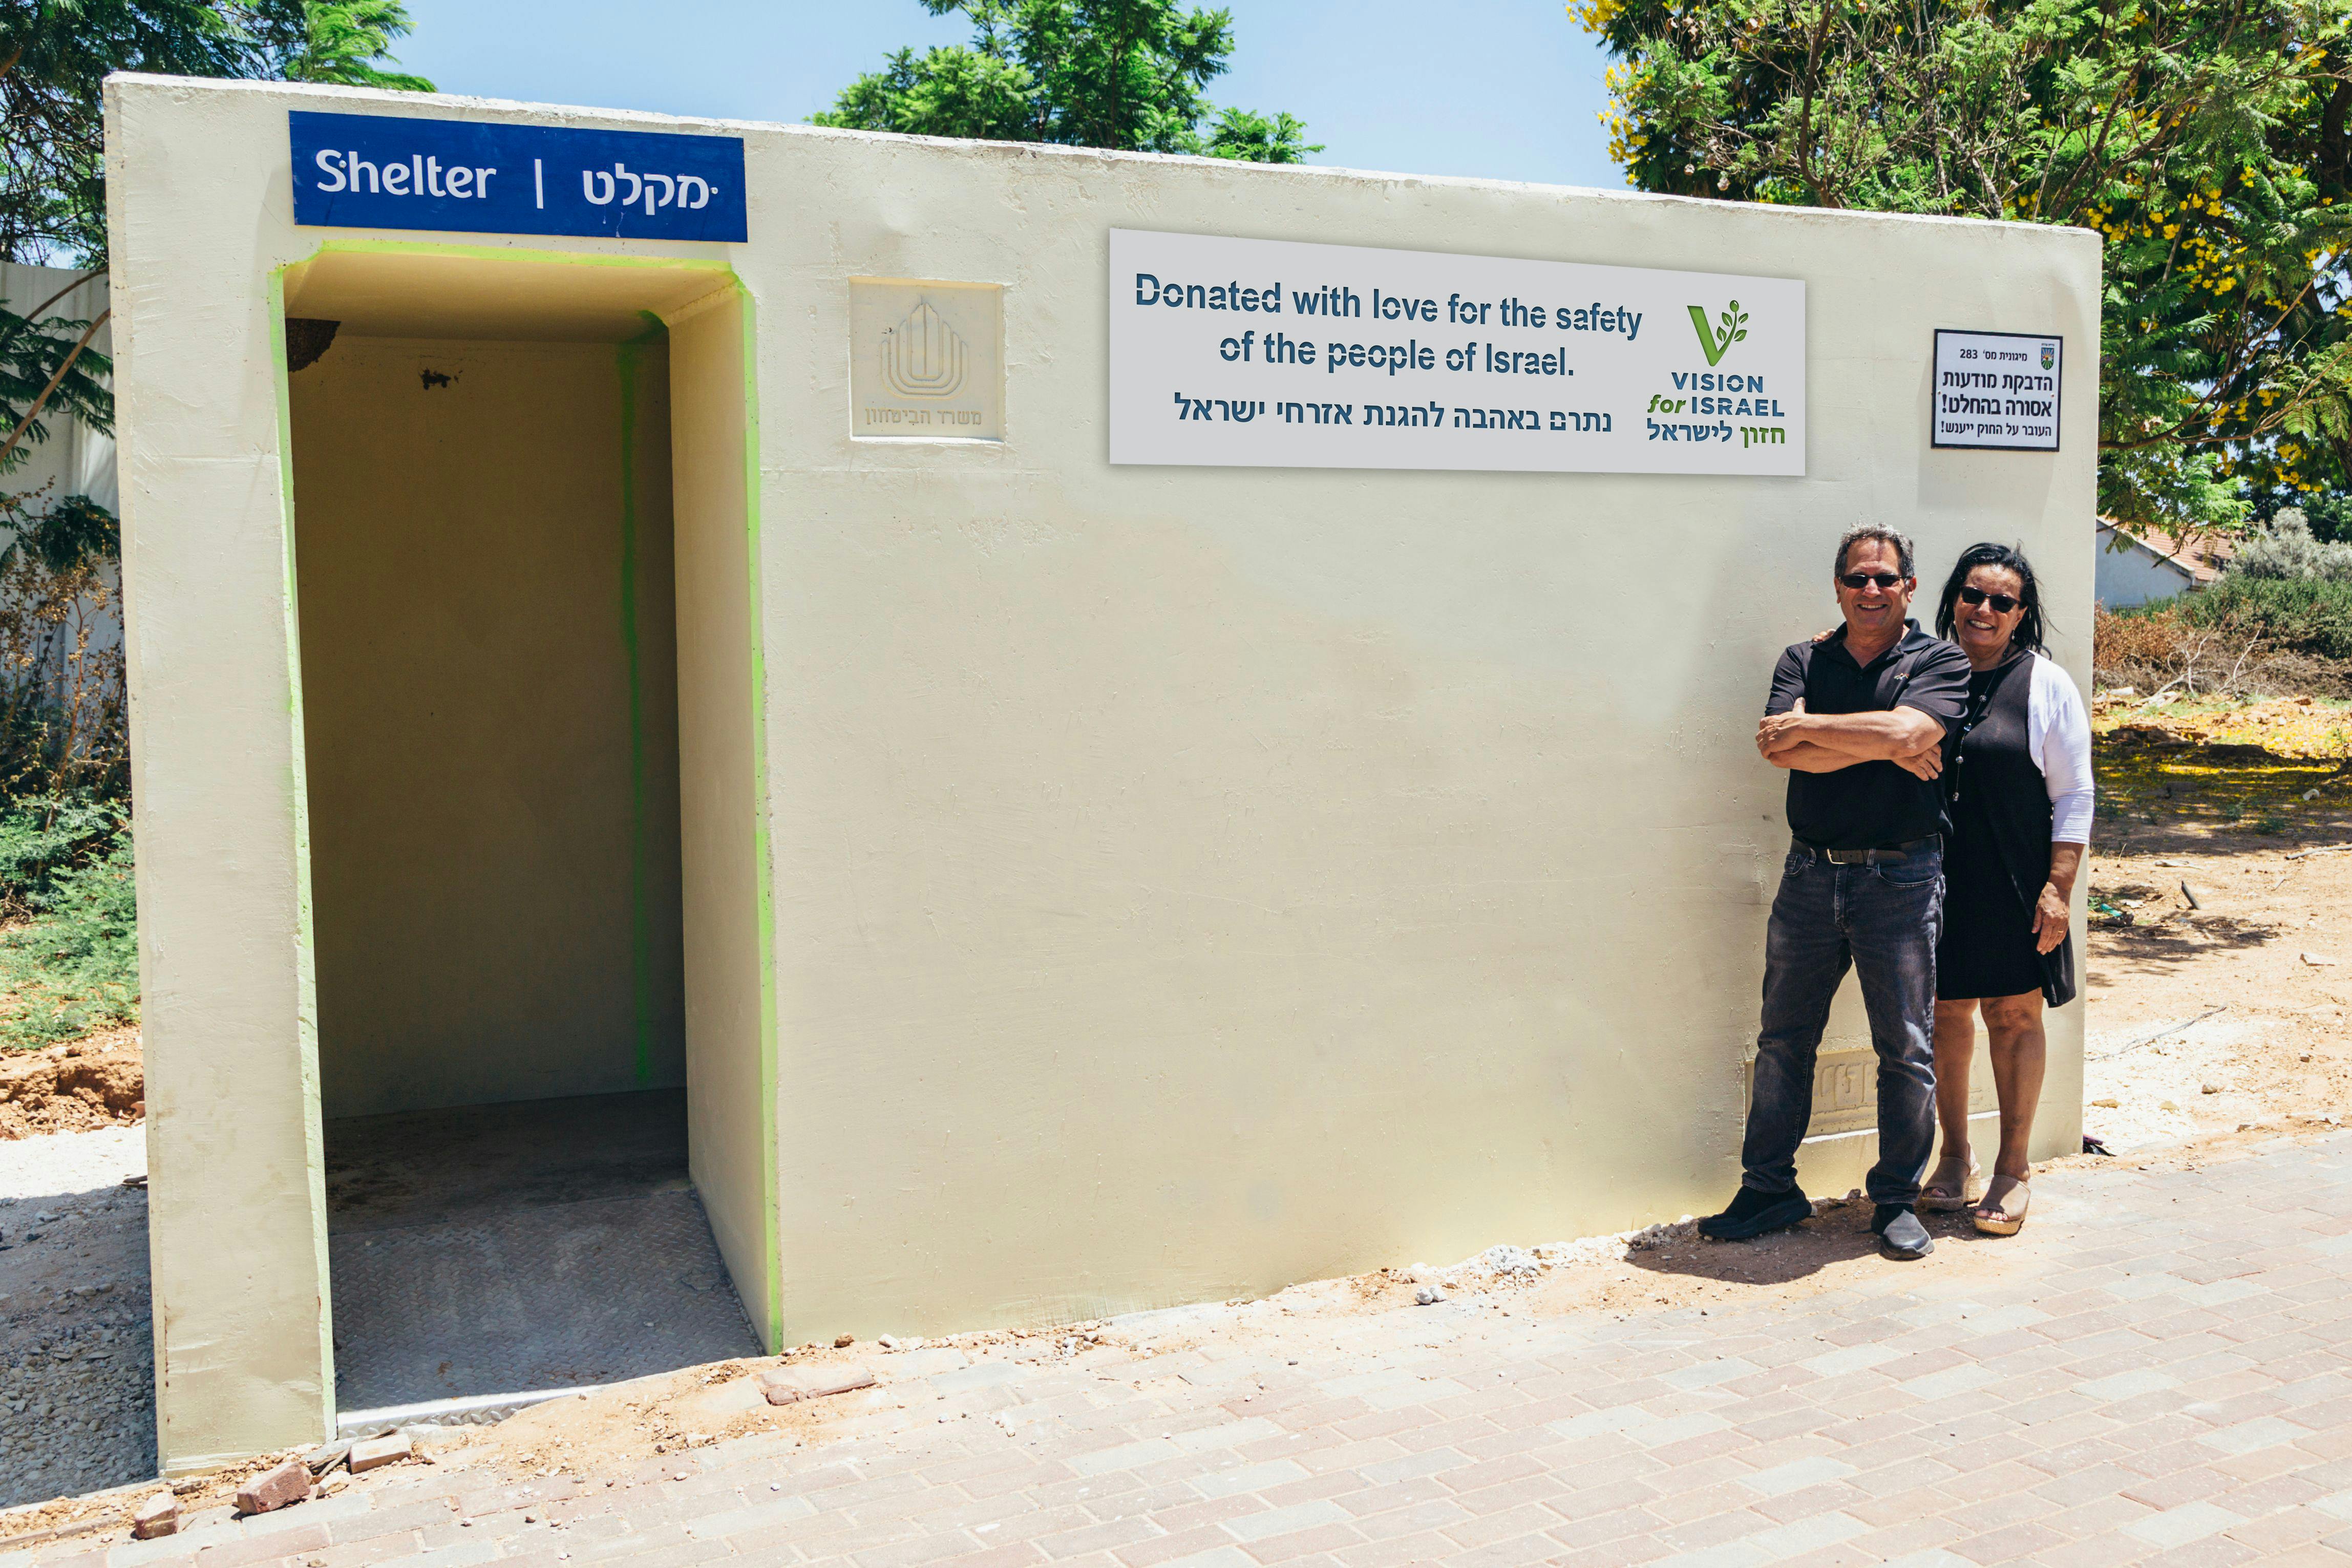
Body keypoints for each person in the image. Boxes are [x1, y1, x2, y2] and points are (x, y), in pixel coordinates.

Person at [1700, 525, 1970, 1261]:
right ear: (1838, 587)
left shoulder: (1938, 659)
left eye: (1885, 578)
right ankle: (1768, 1189)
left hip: (1901, 877)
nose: (1871, 590)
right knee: (1783, 1039)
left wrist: (1817, 728)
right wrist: (1883, 743)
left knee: (1905, 1047)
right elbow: (1776, 747)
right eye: (1857, 579)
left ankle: (1892, 1202)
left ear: (1910, 586)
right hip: (1809, 875)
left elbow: (1910, 727)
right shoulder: (1804, 658)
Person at [1915, 544, 2090, 1237]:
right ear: (1953, 599)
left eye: (2000, 601)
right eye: (1971, 595)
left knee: (2013, 1018)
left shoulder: (2044, 684)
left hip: (2016, 882)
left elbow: (2074, 792)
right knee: (1944, 1014)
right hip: (1931, 879)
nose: (1982, 610)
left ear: (2021, 615)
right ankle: (1953, 1156)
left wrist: (2059, 887)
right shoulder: (1925, 671)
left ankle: (2013, 1166)